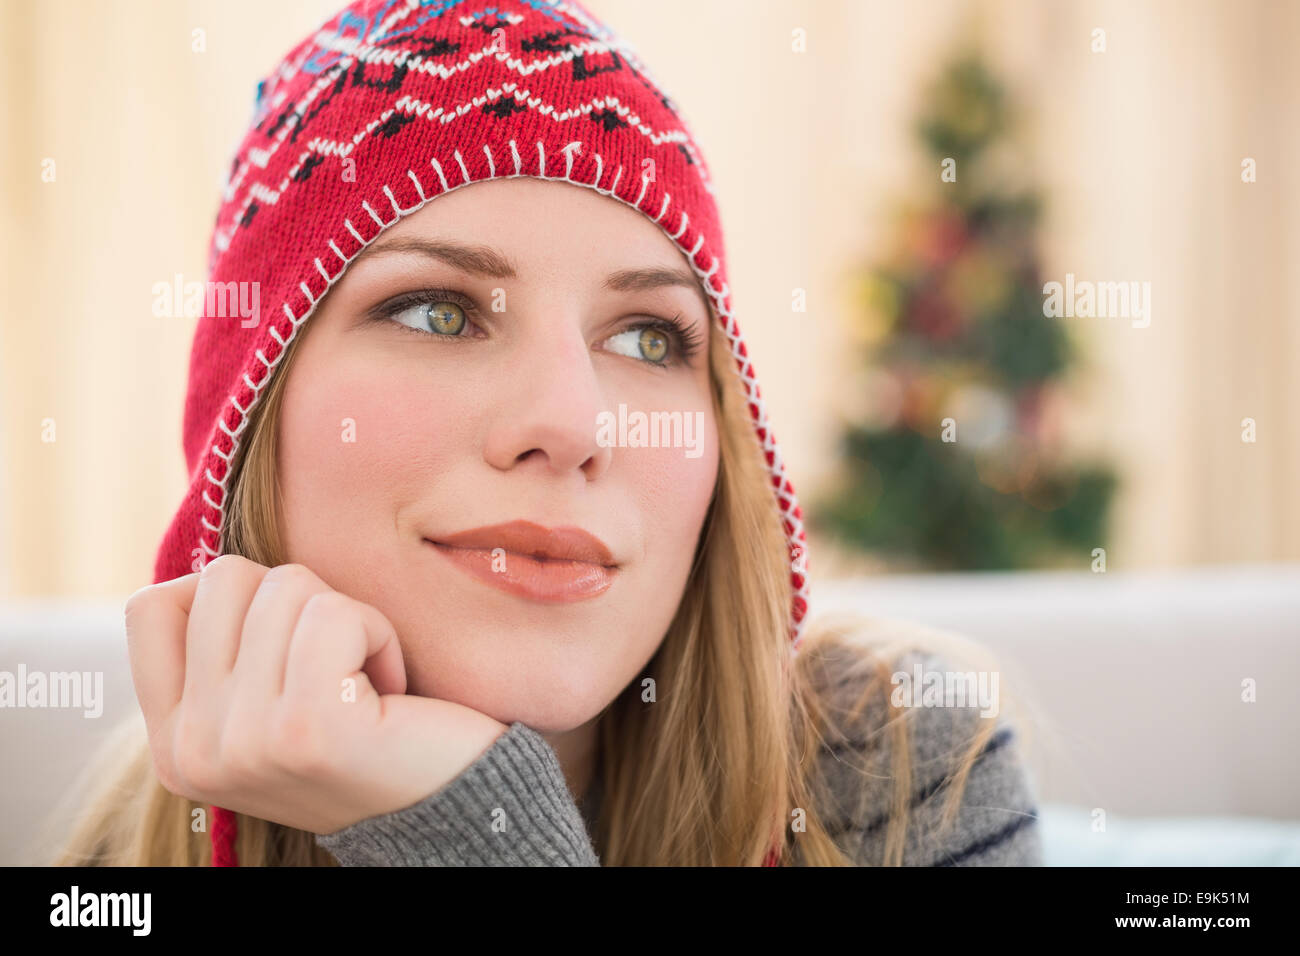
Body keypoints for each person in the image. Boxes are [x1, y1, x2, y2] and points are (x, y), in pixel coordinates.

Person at [53, 0, 1042, 866]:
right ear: (247, 409)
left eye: (649, 335)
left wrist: (457, 827)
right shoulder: (117, 853)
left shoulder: (899, 775)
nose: (572, 423)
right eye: (440, 311)